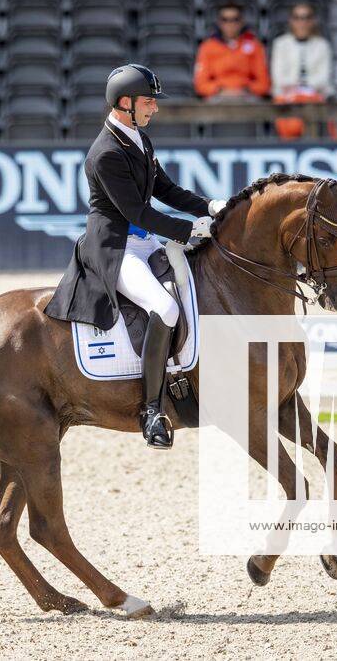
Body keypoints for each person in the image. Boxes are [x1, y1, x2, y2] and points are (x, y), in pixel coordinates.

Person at [44, 64, 228, 449]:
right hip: (115, 248)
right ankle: (151, 410)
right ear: (125, 103)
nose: (154, 109)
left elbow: (167, 190)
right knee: (165, 308)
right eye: (148, 102)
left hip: (144, 243)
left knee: (197, 287)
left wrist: (211, 207)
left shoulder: (138, 139)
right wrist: (190, 229)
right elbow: (137, 213)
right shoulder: (105, 153)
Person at [269, 2, 336, 139]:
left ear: (312, 21)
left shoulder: (322, 45)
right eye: (298, 18)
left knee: (312, 107)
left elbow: (323, 78)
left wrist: (302, 87)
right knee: (288, 114)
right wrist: (297, 87)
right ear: (291, 20)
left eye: (306, 18)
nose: (302, 23)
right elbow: (279, 78)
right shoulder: (281, 44)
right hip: (286, 96)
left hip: (315, 95)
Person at [194, 3, 270, 101]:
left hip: (247, 96)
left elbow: (263, 83)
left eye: (235, 19)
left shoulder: (255, 45)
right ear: (219, 22)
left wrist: (246, 89)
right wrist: (219, 90)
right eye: (225, 19)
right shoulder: (207, 47)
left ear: (242, 22)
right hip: (217, 96)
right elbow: (201, 84)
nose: (230, 24)